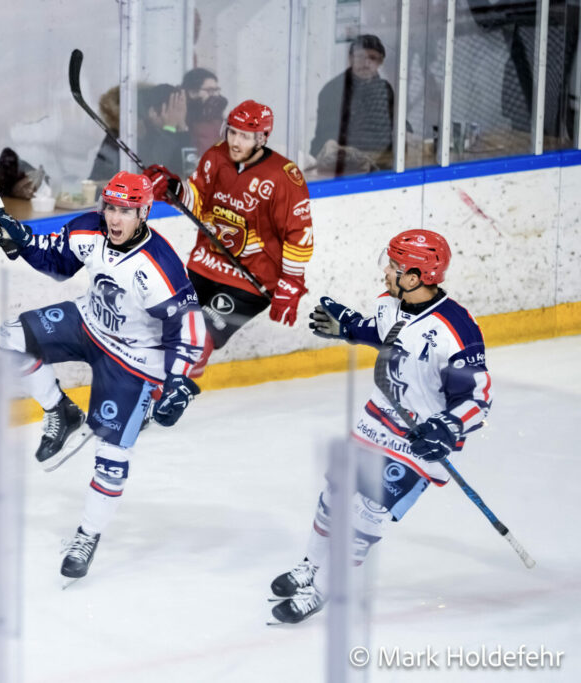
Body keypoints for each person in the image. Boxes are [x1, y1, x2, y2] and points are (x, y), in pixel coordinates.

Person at [0, 171, 206, 581]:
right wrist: (19, 239)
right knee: (11, 337)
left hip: (135, 359)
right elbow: (56, 259)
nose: (115, 219)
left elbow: (187, 328)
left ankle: (88, 534)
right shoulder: (89, 228)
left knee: (112, 457)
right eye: (111, 208)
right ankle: (61, 410)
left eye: (126, 211)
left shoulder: (160, 265)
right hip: (88, 324)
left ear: (144, 213)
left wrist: (177, 383)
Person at [268, 230, 492, 624]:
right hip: (377, 421)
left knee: (368, 510)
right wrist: (350, 327)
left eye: (393, 266)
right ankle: (311, 567)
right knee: (335, 493)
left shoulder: (456, 330)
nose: (385, 272)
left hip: (420, 442)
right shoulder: (390, 304)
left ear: (415, 276)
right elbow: (387, 336)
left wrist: (446, 428)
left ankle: (323, 590)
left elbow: (477, 398)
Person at [143, 100, 314, 377]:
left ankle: (170, 390)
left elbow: (299, 233)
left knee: (199, 340)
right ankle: (152, 381)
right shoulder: (215, 156)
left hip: (251, 280)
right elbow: (198, 202)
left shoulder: (283, 177)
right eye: (232, 132)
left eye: (244, 136)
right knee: (167, 324)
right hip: (205, 264)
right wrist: (174, 189)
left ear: (262, 138)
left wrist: (291, 282)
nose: (235, 141)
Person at [309, 35, 396, 176]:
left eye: (372, 58)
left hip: (382, 167)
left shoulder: (385, 88)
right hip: (347, 169)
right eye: (360, 57)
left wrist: (407, 132)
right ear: (350, 59)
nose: (366, 63)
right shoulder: (335, 90)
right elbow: (328, 138)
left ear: (380, 62)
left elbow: (396, 122)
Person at [137, 83, 197, 178]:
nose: (178, 115)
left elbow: (189, 170)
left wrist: (182, 128)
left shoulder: (181, 134)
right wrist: (169, 128)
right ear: (153, 112)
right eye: (174, 110)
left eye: (181, 110)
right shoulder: (139, 136)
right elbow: (155, 169)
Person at [181, 67, 228, 157]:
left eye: (216, 90)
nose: (215, 95)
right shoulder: (184, 119)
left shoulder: (220, 121)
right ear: (192, 92)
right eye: (210, 90)